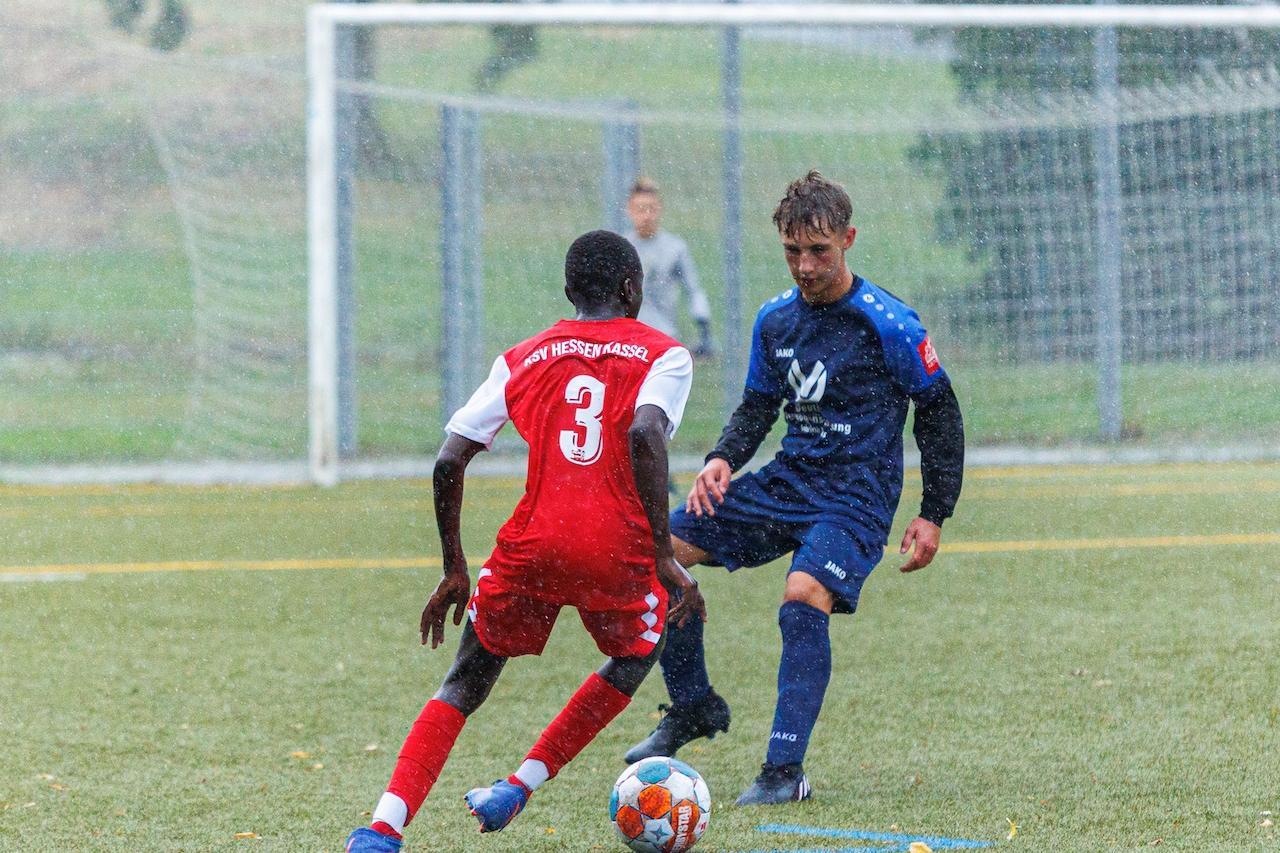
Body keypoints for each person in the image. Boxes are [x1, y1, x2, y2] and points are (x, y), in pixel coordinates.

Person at [345, 230, 705, 853]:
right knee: (638, 653)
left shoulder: (524, 356)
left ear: (568, 292)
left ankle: (382, 829)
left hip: (534, 545)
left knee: (464, 681)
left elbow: (449, 459)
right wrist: (664, 554)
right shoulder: (665, 355)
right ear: (632, 289)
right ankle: (519, 785)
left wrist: (455, 567)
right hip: (615, 550)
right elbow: (645, 433)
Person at [622, 171, 966, 806]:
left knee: (803, 594)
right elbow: (759, 405)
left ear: (848, 240)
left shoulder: (889, 323)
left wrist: (933, 512)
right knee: (656, 553)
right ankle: (694, 705)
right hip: (788, 482)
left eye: (818, 251)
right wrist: (723, 457)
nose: (805, 266)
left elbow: (939, 411)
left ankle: (783, 772)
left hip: (857, 496)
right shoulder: (775, 318)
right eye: (792, 251)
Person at [625, 177, 716, 358]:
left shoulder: (674, 248)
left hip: (664, 338)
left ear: (660, 208)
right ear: (629, 210)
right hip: (629, 340)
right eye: (640, 209)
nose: (646, 216)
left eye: (651, 209)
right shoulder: (623, 247)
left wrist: (704, 327)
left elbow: (693, 289)